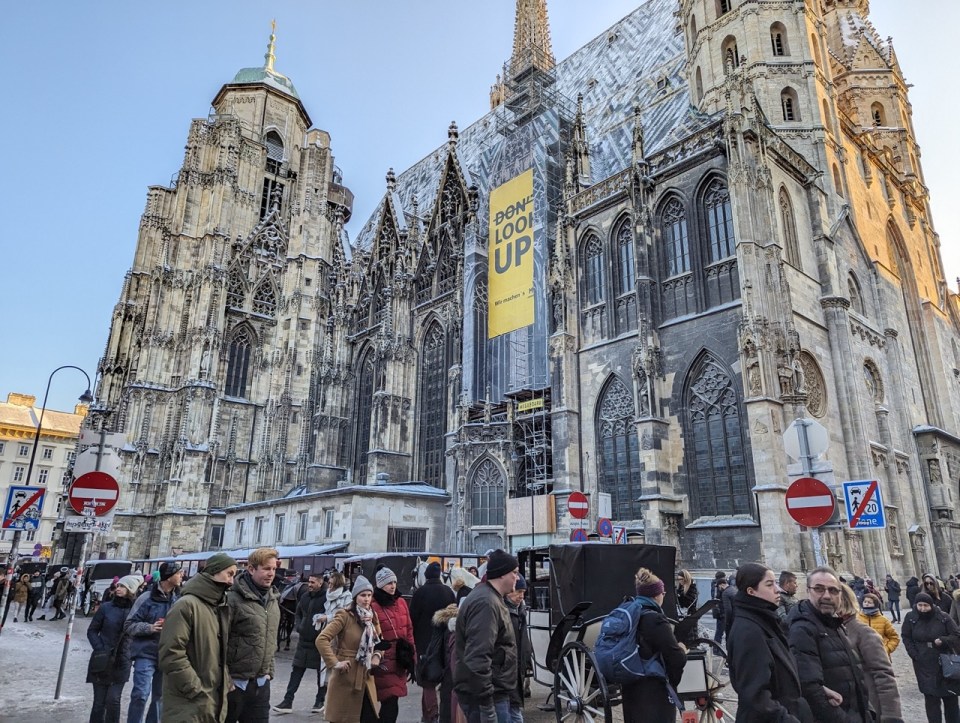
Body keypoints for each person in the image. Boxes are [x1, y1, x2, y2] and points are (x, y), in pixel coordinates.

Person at [727, 562, 812, 723]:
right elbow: (755, 695)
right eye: (769, 584)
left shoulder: (766, 620)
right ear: (751, 591)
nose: (778, 589)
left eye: (776, 583)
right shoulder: (748, 631)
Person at [158, 552, 237, 723]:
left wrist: (224, 682)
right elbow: (171, 653)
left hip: (210, 703)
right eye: (229, 574)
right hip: (189, 704)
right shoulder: (186, 605)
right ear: (214, 572)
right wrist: (195, 688)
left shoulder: (219, 607)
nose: (231, 581)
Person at [788, 566, 870, 722]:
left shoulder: (835, 624)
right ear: (808, 591)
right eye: (819, 589)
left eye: (833, 591)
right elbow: (810, 688)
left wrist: (868, 713)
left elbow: (855, 675)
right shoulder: (803, 629)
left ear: (840, 594)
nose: (826, 596)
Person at [454, 549, 520, 723]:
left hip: (493, 692)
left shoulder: (492, 598)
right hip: (487, 697)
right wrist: (487, 705)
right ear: (501, 575)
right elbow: (478, 656)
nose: (517, 578)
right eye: (514, 572)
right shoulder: (486, 603)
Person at [618, 567, 686, 723]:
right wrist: (682, 650)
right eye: (663, 593)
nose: (663, 596)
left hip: (631, 686)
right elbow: (675, 658)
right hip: (653, 692)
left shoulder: (629, 612)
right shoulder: (655, 619)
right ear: (656, 595)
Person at [315, 575, 385, 723]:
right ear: (355, 597)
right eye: (362, 595)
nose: (366, 599)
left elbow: (380, 642)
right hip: (345, 677)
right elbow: (322, 639)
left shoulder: (373, 616)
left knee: (369, 717)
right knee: (343, 718)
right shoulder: (345, 615)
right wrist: (335, 662)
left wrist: (377, 655)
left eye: (369, 595)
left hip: (366, 675)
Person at [225, 547, 281, 723]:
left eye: (273, 569)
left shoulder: (272, 600)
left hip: (261, 685)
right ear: (251, 569)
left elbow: (271, 638)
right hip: (234, 685)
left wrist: (269, 671)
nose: (271, 573)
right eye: (266, 568)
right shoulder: (232, 599)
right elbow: (218, 642)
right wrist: (226, 679)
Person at [125, 561, 184, 723]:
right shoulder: (146, 598)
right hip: (146, 652)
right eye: (179, 573)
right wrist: (150, 627)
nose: (182, 575)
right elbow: (129, 625)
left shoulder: (179, 599)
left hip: (167, 654)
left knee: (160, 697)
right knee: (140, 694)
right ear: (169, 576)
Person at [836, 583, 903, 723]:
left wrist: (891, 717)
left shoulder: (863, 632)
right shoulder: (833, 631)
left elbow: (884, 675)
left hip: (869, 708)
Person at [87, 575, 141, 723]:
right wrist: (100, 648)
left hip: (122, 660)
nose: (118, 588)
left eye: (123, 586)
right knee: (99, 703)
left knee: (113, 700)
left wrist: (132, 652)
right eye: (118, 586)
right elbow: (92, 630)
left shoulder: (136, 611)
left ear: (131, 590)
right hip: (102, 660)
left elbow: (139, 633)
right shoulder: (106, 607)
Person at [273, 571, 328, 715]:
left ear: (320, 583)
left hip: (319, 642)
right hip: (304, 640)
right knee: (296, 670)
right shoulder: (304, 597)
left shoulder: (327, 598)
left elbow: (332, 616)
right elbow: (298, 613)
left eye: (312, 582)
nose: (309, 585)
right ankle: (287, 701)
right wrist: (299, 626)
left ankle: (319, 701)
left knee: (320, 673)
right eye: (309, 582)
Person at [903, 591, 960, 723]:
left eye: (926, 606)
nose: (923, 609)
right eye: (920, 605)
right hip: (923, 663)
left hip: (944, 661)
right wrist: (914, 654)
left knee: (950, 698)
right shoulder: (911, 617)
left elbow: (956, 635)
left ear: (931, 605)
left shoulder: (943, 617)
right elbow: (906, 637)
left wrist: (943, 640)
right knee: (931, 699)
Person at [411, 561, 456, 723]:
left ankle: (431, 716)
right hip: (446, 643)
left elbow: (412, 620)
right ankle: (443, 715)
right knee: (446, 683)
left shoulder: (419, 593)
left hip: (425, 645)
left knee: (427, 683)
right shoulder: (449, 592)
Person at [371, 566, 417, 723]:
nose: (392, 586)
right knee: (384, 700)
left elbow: (409, 630)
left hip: (400, 658)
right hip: (382, 658)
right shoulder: (373, 604)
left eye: (394, 582)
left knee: (392, 701)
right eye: (388, 583)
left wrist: (413, 657)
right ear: (380, 584)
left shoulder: (402, 602)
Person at [504, 575, 531, 723]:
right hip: (507, 669)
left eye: (524, 592)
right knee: (513, 712)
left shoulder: (520, 610)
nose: (521, 596)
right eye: (518, 591)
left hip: (516, 667)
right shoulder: (504, 610)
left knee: (513, 710)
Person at [858, 592, 900, 657]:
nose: (866, 604)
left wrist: (886, 649)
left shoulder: (883, 620)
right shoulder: (857, 619)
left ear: (875, 604)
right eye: (865, 602)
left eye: (869, 602)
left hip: (881, 657)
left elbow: (894, 638)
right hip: (862, 656)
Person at [713, 576, 729, 644]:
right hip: (721, 614)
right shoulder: (722, 592)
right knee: (720, 631)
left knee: (720, 631)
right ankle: (716, 648)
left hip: (720, 613)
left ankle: (716, 648)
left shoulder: (720, 591)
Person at [722, 573, 738, 638]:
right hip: (737, 617)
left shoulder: (725, 593)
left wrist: (727, 622)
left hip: (731, 619)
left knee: (729, 637)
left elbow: (728, 610)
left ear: (722, 585)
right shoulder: (734, 589)